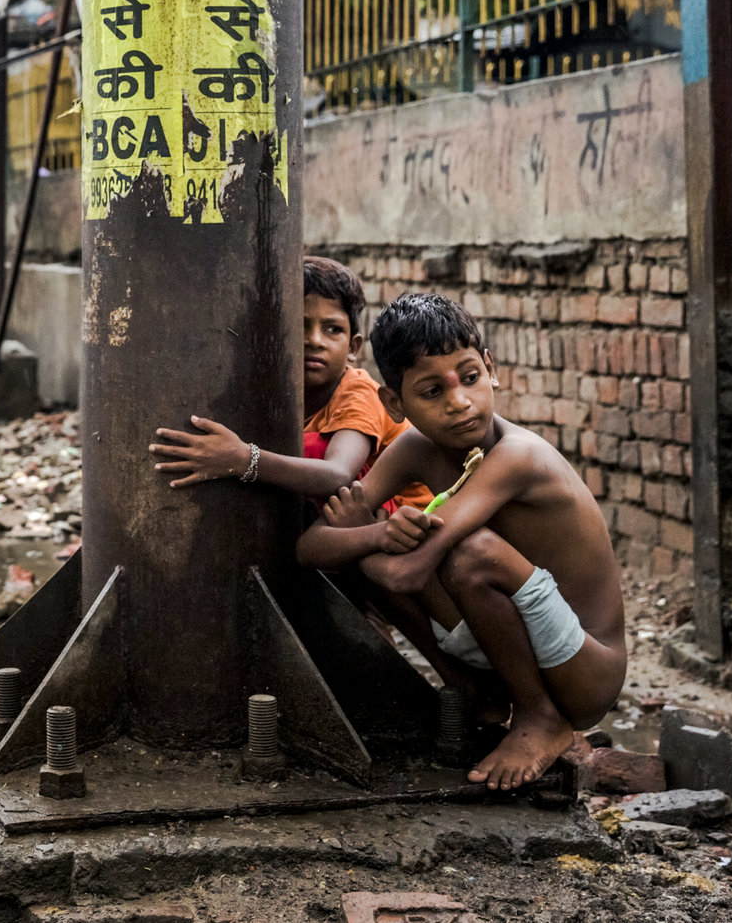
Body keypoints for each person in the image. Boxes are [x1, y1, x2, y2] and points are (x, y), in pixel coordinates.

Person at [297, 293, 627, 792]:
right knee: (380, 538)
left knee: (469, 553)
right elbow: (309, 548)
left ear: (490, 369)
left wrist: (366, 540)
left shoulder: (518, 456)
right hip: (522, 643)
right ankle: (475, 691)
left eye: (468, 377)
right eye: (431, 391)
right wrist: (372, 534)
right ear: (395, 404)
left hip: (585, 672)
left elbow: (409, 570)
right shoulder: (414, 449)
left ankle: (540, 718)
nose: (458, 402)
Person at [150, 256, 411, 500]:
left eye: (333, 330)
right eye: (300, 326)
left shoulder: (358, 392)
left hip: (399, 520)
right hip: (348, 517)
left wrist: (241, 459)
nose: (315, 341)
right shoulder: (276, 390)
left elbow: (338, 474)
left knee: (309, 450)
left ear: (353, 348)